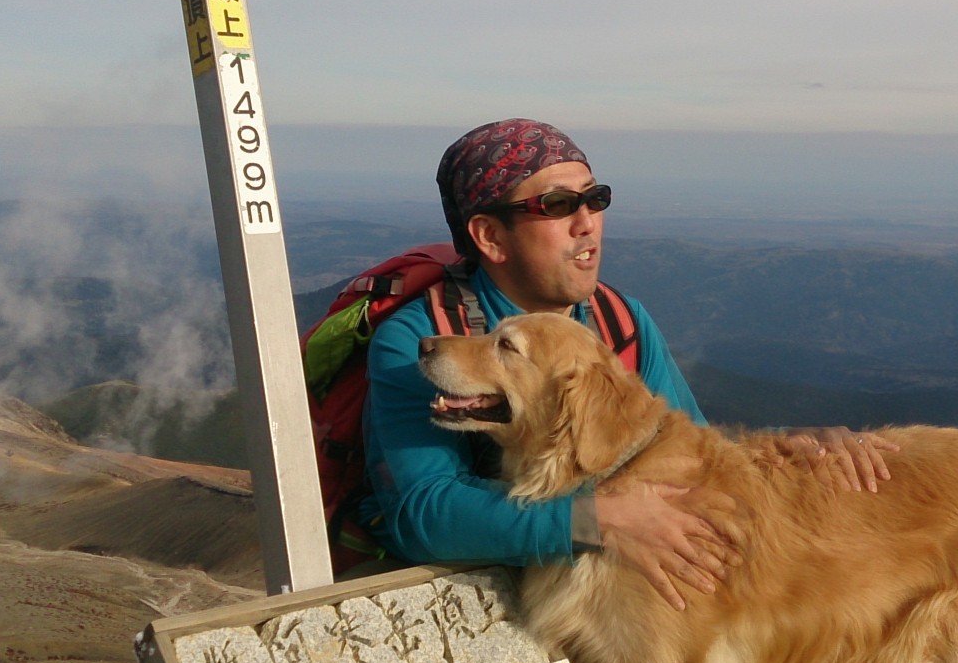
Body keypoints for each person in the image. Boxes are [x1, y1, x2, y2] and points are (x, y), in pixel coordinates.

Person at [358, 118, 896, 615]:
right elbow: (423, 512)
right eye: (557, 205)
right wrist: (600, 521)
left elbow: (691, 451)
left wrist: (790, 444)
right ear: (490, 237)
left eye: (595, 199)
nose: (587, 224)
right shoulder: (418, 343)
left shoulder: (619, 320)